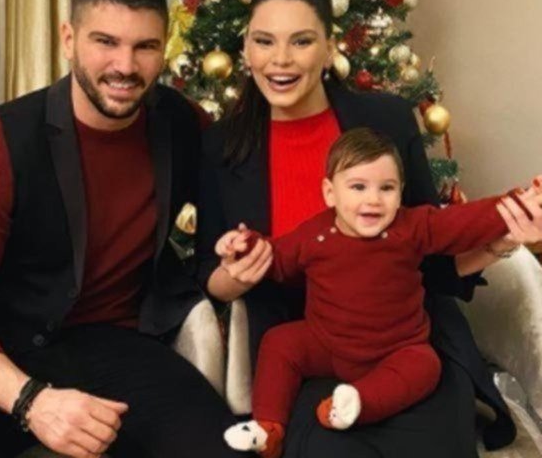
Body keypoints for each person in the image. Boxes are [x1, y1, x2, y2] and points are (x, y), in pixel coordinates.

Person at [0, 0, 243, 458]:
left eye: (145, 46)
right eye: (105, 41)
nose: (125, 66)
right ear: (69, 39)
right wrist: (33, 403)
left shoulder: (182, 123)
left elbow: (248, 176)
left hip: (112, 345)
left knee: (224, 449)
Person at [196, 0, 542, 458]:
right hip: (306, 353)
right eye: (263, 41)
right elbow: (207, 273)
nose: (280, 59)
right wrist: (236, 274)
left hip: (406, 340)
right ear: (246, 49)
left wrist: (501, 242)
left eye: (301, 41)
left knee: (432, 439)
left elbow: (429, 245)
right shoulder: (221, 146)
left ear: (329, 47)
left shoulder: (386, 119)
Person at [217, 127, 542, 458]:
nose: (373, 199)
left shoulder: (413, 227)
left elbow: (464, 221)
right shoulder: (314, 235)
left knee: (426, 365)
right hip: (327, 343)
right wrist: (245, 246)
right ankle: (268, 428)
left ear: (400, 193)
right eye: (358, 187)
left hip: (397, 348)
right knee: (279, 342)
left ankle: (359, 403)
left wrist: (522, 203)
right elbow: (275, 258)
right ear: (330, 193)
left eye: (386, 188)